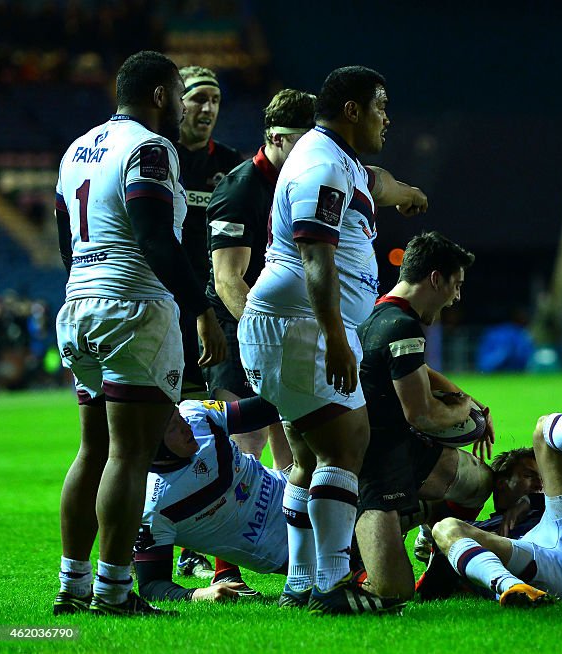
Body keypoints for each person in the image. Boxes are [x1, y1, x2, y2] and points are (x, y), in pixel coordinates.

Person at [237, 65, 428, 616]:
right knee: (347, 446)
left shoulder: (336, 160)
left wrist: (408, 194)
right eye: (381, 106)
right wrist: (336, 337)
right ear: (352, 110)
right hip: (303, 326)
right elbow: (315, 257)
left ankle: (302, 582)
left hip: (295, 325)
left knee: (306, 455)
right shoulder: (321, 165)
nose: (388, 118)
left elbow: (378, 181)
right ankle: (330, 583)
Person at [52, 50, 226, 616]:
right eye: (179, 94)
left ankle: (72, 585)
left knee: (92, 448)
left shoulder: (76, 148)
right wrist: (199, 306)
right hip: (132, 305)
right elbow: (154, 234)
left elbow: (63, 242)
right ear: (160, 96)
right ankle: (114, 590)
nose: (181, 106)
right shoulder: (151, 148)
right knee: (129, 455)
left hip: (79, 302)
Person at [355, 231, 495, 601]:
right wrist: (465, 412)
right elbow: (423, 415)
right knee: (393, 593)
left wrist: (471, 402)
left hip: (396, 446)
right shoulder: (401, 327)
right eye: (456, 285)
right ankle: (347, 562)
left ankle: (440, 568)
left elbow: (420, 373)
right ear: (436, 279)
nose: (457, 297)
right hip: (377, 468)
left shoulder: (378, 313)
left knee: (478, 480)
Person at [430, 364, 562, 606]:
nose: (541, 482)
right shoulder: (479, 529)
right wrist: (433, 550)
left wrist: (530, 501)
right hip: (542, 568)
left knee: (543, 430)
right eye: (529, 475)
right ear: (502, 483)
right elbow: (433, 589)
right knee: (446, 528)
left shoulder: (545, 506)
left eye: (544, 477)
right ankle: (513, 588)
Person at [205, 88, 316, 466]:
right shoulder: (240, 190)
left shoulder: (302, 182)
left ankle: (287, 523)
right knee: (246, 440)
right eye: (302, 144)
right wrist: (265, 334)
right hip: (240, 322)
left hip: (285, 322)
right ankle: (232, 522)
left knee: (295, 442)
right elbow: (227, 281)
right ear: (275, 137)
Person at [134, 398, 287, 602]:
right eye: (173, 428)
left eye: (179, 416)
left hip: (296, 492)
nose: (185, 425)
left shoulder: (196, 414)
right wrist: (198, 594)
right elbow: (151, 584)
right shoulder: (153, 507)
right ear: (152, 442)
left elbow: (267, 409)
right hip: (283, 547)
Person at [176, 65, 245, 399]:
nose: (208, 108)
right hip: (168, 299)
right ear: (178, 102)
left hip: (216, 302)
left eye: (215, 100)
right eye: (199, 99)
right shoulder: (158, 156)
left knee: (223, 403)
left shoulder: (231, 164)